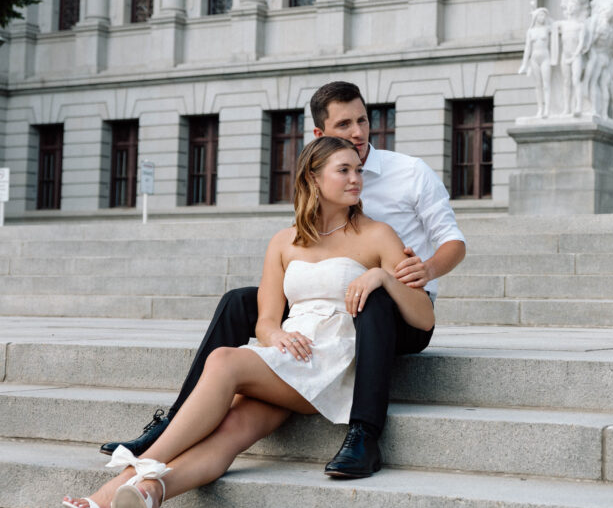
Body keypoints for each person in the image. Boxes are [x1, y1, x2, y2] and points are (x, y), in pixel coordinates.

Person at [63, 136, 435, 508]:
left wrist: (381, 276)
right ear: (313, 178)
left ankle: (119, 484)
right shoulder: (283, 241)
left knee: (224, 361)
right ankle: (153, 493)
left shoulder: (378, 234)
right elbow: (266, 320)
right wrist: (276, 335)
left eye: (358, 170)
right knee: (233, 429)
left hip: (331, 358)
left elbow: (423, 316)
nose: (356, 179)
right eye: (343, 170)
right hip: (289, 352)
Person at [98, 81, 466, 479]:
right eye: (345, 125)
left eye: (363, 120)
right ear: (319, 137)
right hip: (329, 304)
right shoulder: (316, 194)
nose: (358, 133)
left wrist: (424, 270)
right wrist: (274, 331)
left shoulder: (409, 172)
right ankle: (176, 419)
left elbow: (453, 241)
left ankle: (364, 433)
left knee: (371, 296)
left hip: (399, 306)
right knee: (241, 300)